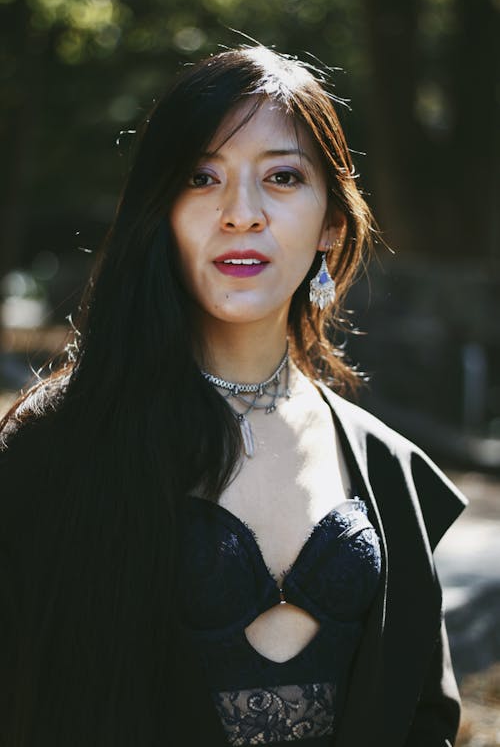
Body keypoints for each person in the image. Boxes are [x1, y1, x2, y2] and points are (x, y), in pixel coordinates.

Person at [0, 45, 467, 747]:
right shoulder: (58, 446)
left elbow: (424, 718)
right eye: (201, 176)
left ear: (332, 225)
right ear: (161, 213)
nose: (240, 212)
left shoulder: (388, 470)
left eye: (282, 177)